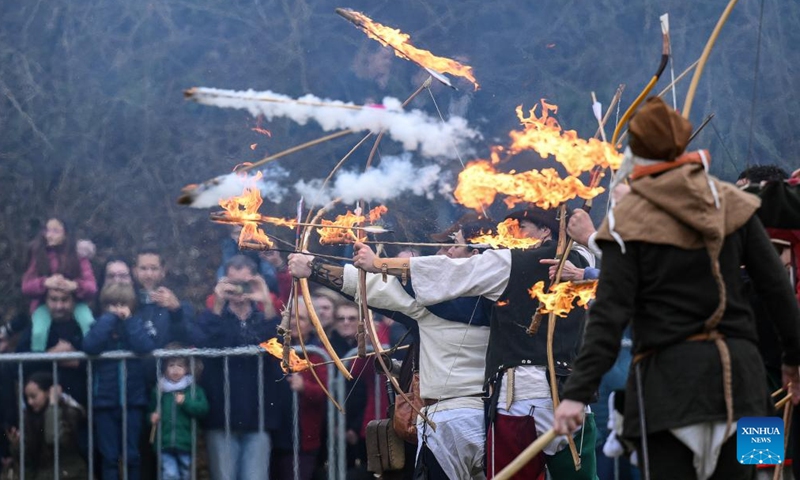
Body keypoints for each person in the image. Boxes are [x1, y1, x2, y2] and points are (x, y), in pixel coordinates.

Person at [552, 97, 800, 480]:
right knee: (758, 474)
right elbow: (778, 292)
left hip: (670, 391)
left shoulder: (627, 220)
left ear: (638, 152)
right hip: (745, 388)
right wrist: (794, 360)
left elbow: (609, 314)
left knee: (767, 471)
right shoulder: (732, 203)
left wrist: (575, 393)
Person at [351, 206, 597, 479]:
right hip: (572, 397)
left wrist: (378, 264)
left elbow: (450, 272)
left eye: (521, 227)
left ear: (546, 231)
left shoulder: (508, 263)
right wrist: (588, 237)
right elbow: (621, 260)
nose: (512, 233)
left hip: (520, 400)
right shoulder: (585, 260)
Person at [191, 255, 287, 480]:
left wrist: (265, 299)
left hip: (259, 415)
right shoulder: (215, 316)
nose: (240, 290)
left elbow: (278, 348)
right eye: (234, 283)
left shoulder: (262, 317)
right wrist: (217, 302)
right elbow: (205, 343)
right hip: (221, 415)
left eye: (245, 283)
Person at [83, 281, 156, 480]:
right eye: (112, 304)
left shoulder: (137, 324)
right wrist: (107, 320)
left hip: (133, 401)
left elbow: (145, 346)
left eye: (122, 304)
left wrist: (130, 321)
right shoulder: (99, 324)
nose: (117, 309)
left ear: (131, 306)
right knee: (109, 457)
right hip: (105, 402)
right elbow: (90, 346)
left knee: (132, 455)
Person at [273, 300, 328, 480]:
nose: (295, 322)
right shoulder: (277, 348)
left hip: (303, 437)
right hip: (274, 432)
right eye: (292, 318)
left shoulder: (318, 353)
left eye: (301, 318)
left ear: (312, 325)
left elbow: (324, 392)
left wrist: (305, 388)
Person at [16, 288, 94, 406]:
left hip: (81, 402)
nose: (59, 306)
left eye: (65, 300)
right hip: (41, 407)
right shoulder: (36, 327)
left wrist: (78, 361)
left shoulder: (85, 328)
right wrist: (49, 356)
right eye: (53, 299)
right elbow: (18, 362)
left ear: (74, 301)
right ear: (45, 301)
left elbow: (100, 362)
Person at [8, 372, 87, 479]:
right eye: (27, 398)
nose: (29, 402)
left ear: (48, 392)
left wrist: (53, 403)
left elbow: (53, 438)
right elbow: (28, 461)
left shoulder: (69, 412)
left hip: (70, 474)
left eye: (33, 396)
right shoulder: (30, 418)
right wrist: (16, 445)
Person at [149, 349, 209, 480]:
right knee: (170, 474)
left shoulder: (193, 390)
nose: (175, 369)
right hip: (164, 441)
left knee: (186, 473)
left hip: (186, 442)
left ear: (187, 369)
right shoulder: (159, 390)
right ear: (165, 368)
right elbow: (151, 410)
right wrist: (152, 417)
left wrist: (186, 402)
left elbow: (203, 409)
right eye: (171, 365)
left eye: (180, 366)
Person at [133, 246, 193, 348]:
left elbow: (186, 339)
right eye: (143, 268)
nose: (149, 274)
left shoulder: (180, 306)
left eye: (154, 268)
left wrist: (176, 312)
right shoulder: (129, 304)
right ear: (134, 271)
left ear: (163, 271)